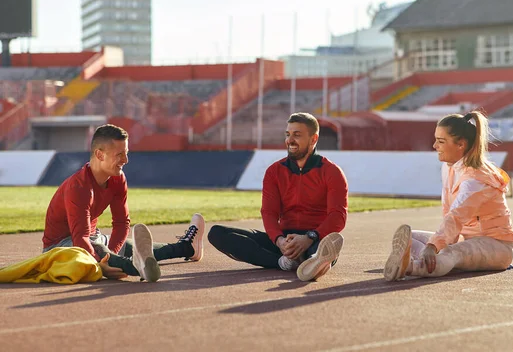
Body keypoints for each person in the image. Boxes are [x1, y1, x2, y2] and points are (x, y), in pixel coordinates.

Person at [42, 124, 205, 282]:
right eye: (119, 154)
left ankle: (187, 248)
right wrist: (101, 263)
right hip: (60, 248)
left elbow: (121, 224)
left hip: (93, 238)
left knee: (129, 246)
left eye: (126, 153)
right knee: (99, 247)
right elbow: (81, 237)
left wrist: (111, 256)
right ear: (100, 155)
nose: (125, 160)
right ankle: (137, 267)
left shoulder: (117, 178)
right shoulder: (79, 186)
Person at [208, 112, 348, 281]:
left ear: (313, 139)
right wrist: (279, 241)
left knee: (326, 245)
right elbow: (269, 212)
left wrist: (309, 237)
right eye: (288, 134)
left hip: (316, 238)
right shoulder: (274, 171)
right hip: (284, 241)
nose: (290, 140)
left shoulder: (332, 172)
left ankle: (315, 260)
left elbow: (338, 216)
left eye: (297, 135)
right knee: (217, 233)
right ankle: (284, 262)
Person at [384, 111, 513, 281]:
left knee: (451, 252)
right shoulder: (449, 166)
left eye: (441, 141)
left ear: (460, 144)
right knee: (411, 236)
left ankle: (411, 267)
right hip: (464, 238)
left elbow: (456, 216)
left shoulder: (477, 180)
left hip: (497, 247)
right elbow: (448, 209)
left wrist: (433, 245)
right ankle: (420, 259)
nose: (434, 146)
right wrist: (442, 241)